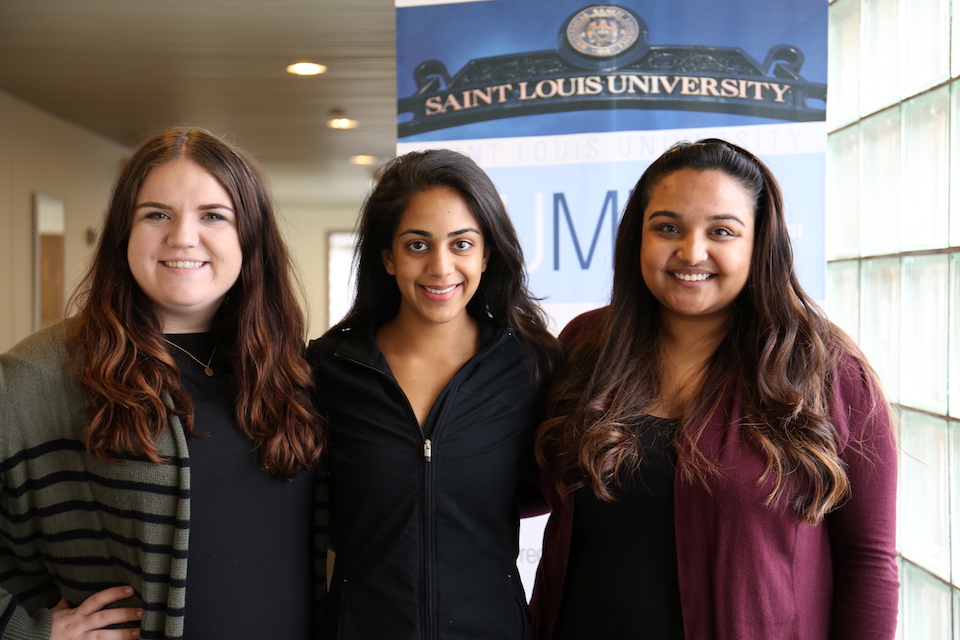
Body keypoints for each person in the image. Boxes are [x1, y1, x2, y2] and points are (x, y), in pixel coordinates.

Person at [531, 139, 898, 640]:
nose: (691, 252)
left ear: (759, 243)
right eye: (667, 228)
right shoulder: (586, 344)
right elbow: (526, 486)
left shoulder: (825, 369)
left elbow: (868, 562)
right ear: (637, 236)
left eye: (721, 231)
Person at [0, 127, 324, 640]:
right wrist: (29, 630)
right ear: (121, 233)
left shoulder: (294, 370)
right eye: (156, 214)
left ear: (251, 237)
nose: (182, 237)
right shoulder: (40, 375)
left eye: (213, 216)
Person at [307, 149, 560, 639]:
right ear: (387, 257)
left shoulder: (532, 366)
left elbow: (556, 491)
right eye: (417, 245)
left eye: (462, 244)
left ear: (487, 254)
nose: (441, 267)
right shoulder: (326, 368)